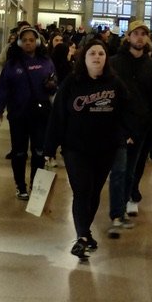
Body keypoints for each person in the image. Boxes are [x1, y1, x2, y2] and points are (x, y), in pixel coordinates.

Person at [44, 38, 133, 260]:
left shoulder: (114, 83)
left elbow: (127, 110)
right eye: (92, 53)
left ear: (106, 58)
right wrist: (50, 146)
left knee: (93, 194)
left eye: (101, 54)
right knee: (82, 191)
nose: (97, 57)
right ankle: (82, 237)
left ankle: (86, 232)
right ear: (84, 58)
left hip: (106, 148)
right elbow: (58, 116)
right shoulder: (72, 83)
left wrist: (127, 134)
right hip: (76, 148)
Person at [107, 19, 152, 233]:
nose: (140, 37)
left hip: (140, 128)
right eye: (136, 33)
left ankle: (121, 209)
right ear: (128, 37)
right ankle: (116, 213)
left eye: (143, 34)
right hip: (116, 127)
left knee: (130, 172)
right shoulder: (114, 63)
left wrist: (150, 124)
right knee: (118, 170)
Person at [0, 26, 56, 199]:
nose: (28, 43)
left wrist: (51, 85)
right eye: (25, 40)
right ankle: (20, 186)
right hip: (18, 114)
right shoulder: (12, 64)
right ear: (19, 42)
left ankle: (36, 185)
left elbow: (53, 82)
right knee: (19, 151)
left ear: (37, 41)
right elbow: (3, 87)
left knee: (38, 151)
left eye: (31, 40)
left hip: (40, 114)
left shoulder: (46, 61)